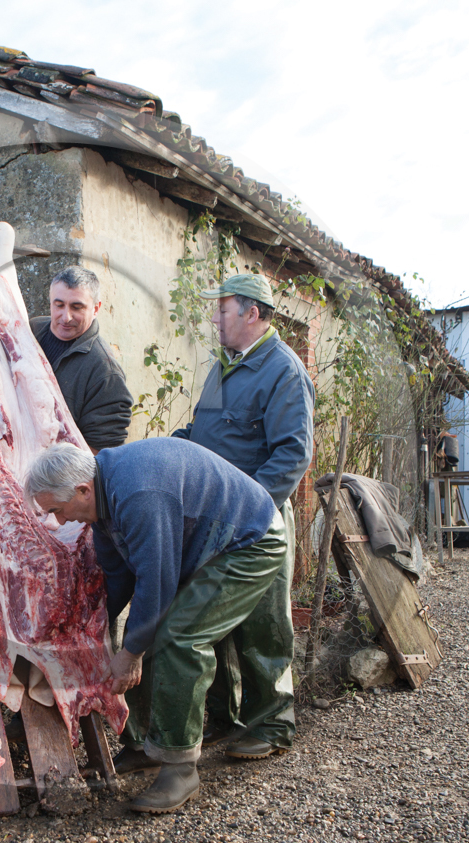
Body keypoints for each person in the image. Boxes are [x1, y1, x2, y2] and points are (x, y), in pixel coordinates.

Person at [25, 439, 292, 813]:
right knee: (146, 632)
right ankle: (144, 744)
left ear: (83, 490)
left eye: (58, 509)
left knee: (180, 637)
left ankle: (179, 768)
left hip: (249, 541)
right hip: (201, 545)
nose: (60, 521)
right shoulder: (102, 500)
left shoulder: (138, 493)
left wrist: (131, 653)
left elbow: (157, 580)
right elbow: (118, 575)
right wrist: (89, 627)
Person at [171, 272, 314, 760]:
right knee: (218, 618)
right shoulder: (224, 367)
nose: (214, 318)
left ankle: (272, 723)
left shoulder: (283, 371)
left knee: (262, 622)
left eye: (222, 309)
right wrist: (172, 449)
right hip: (213, 517)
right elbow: (202, 430)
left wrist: (251, 509)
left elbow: (292, 454)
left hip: (258, 516)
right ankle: (224, 718)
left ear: (252, 313)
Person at [28, 266, 133, 452]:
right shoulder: (31, 331)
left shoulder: (105, 371)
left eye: (77, 307)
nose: (66, 317)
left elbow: (101, 454)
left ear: (96, 308)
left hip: (55, 474)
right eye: (59, 305)